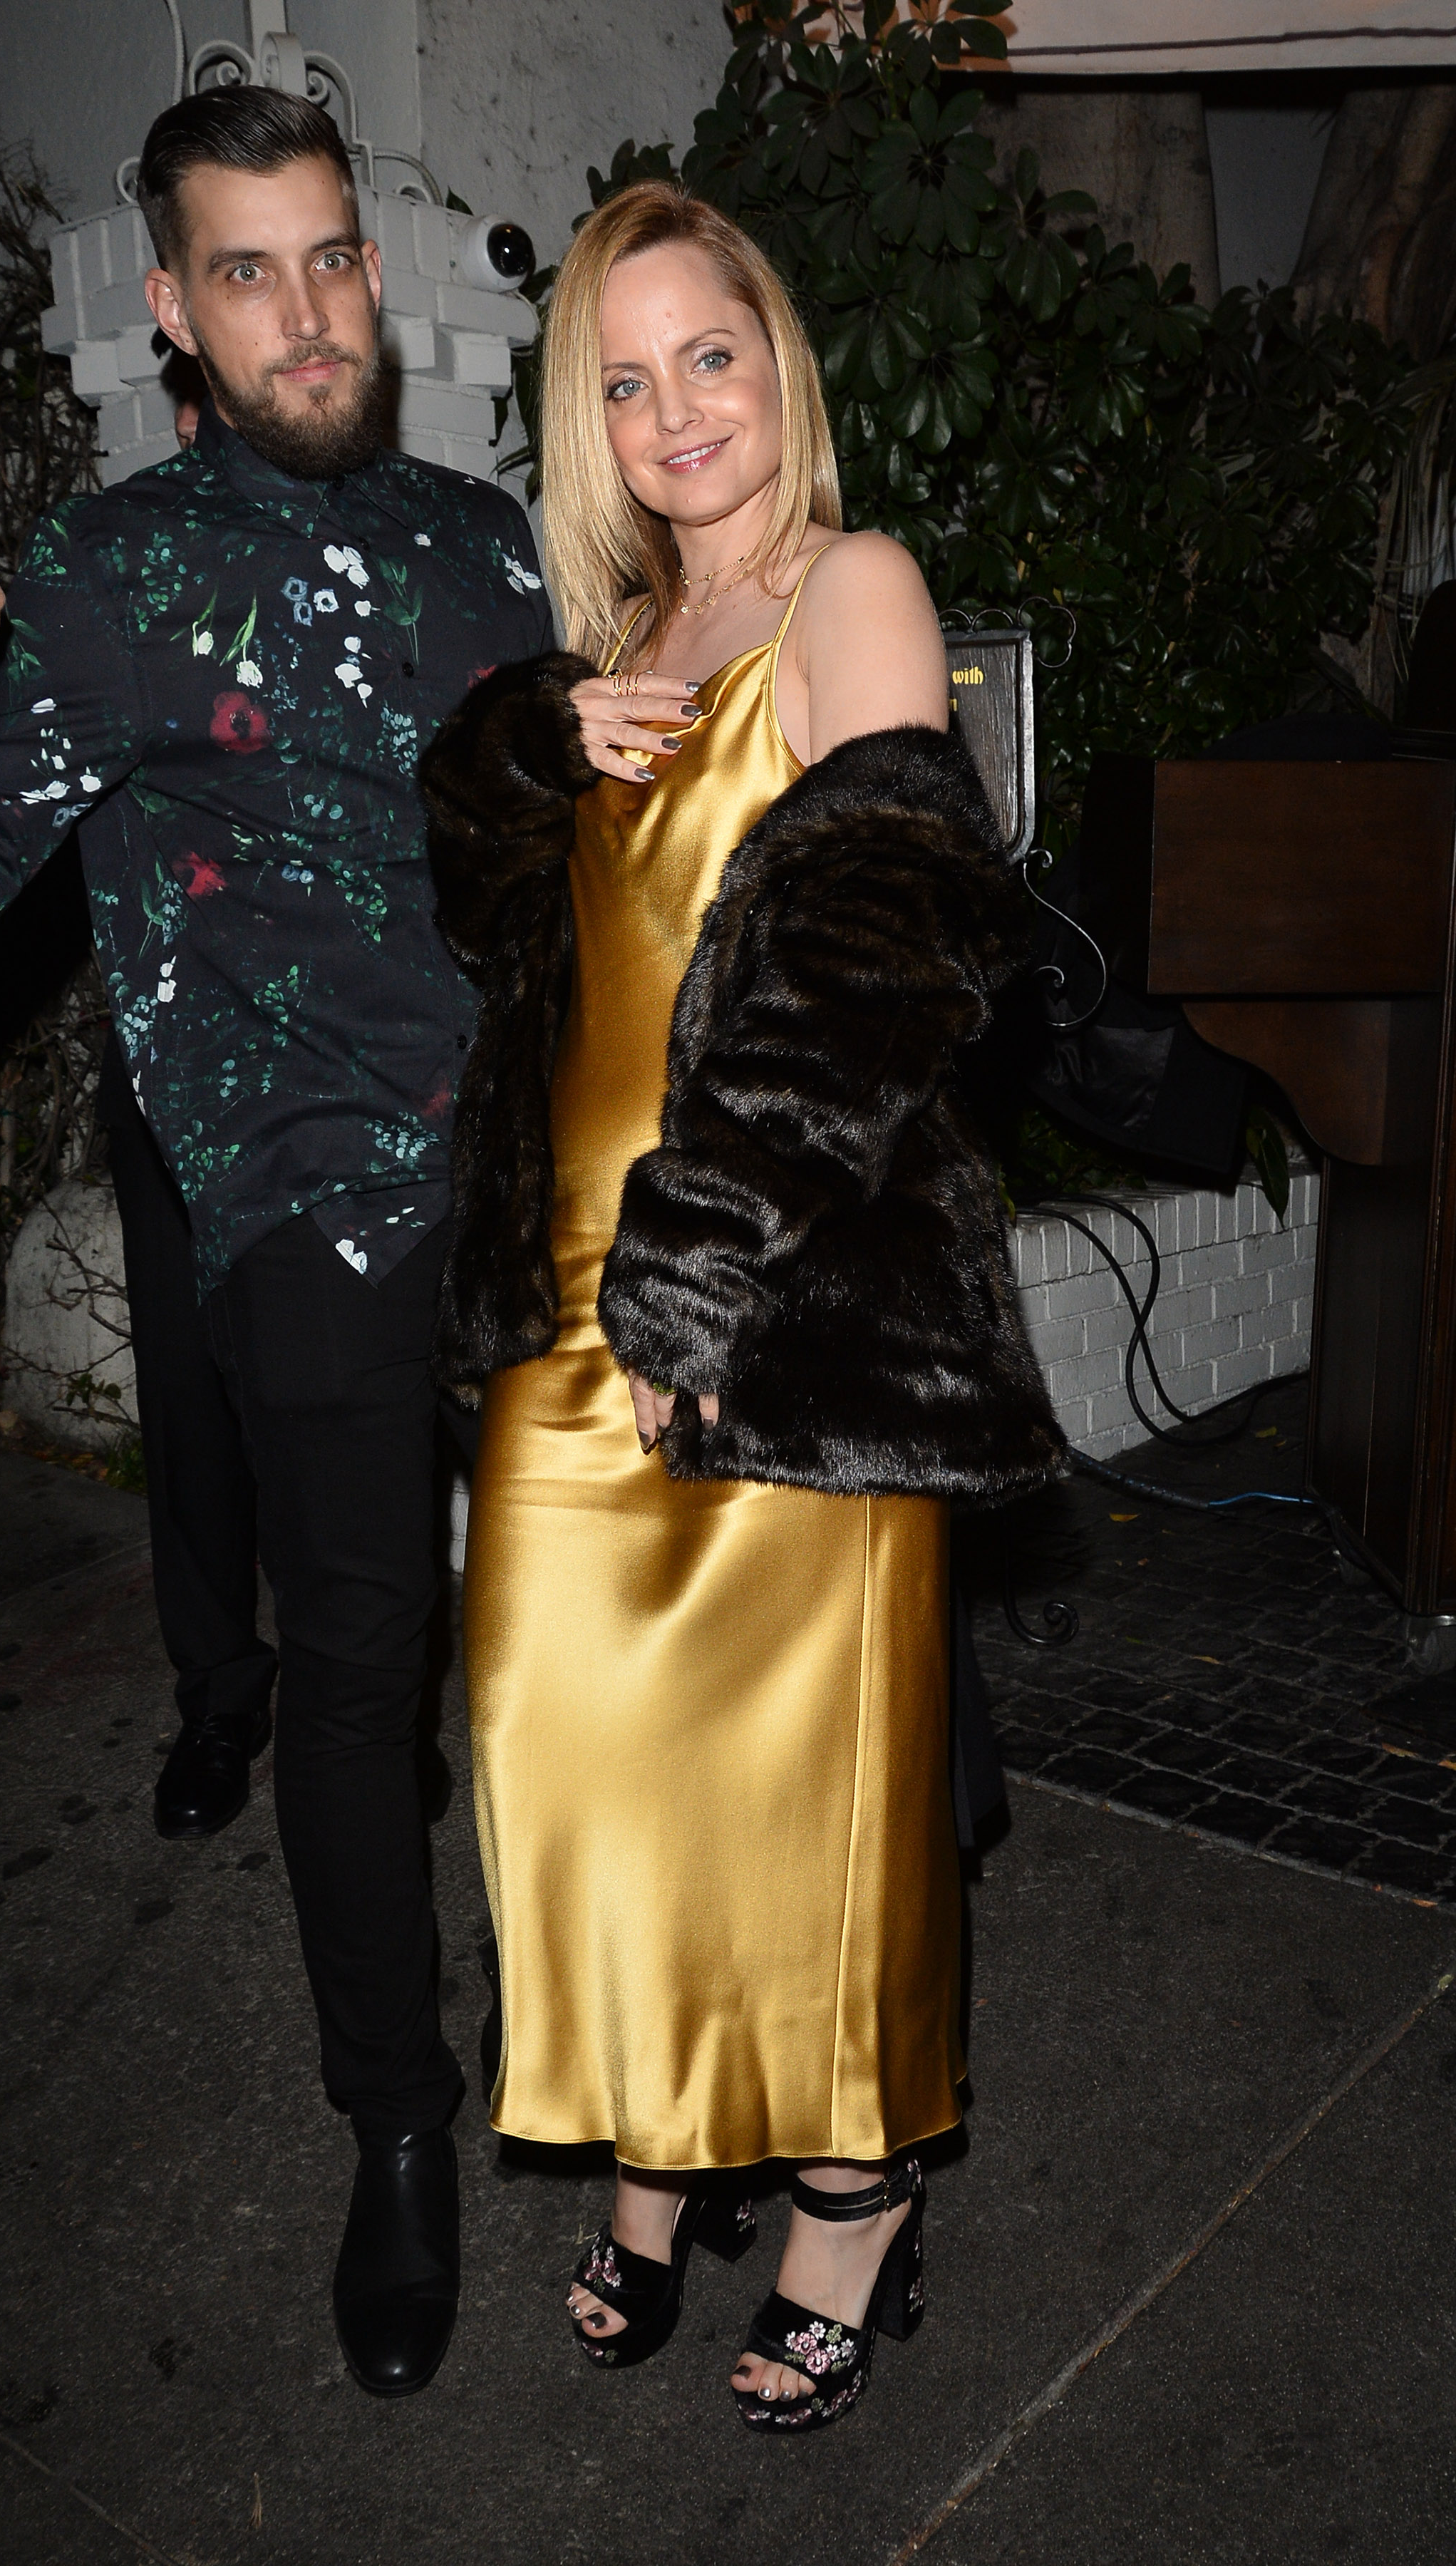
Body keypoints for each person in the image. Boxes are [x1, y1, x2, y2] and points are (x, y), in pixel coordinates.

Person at [0, 84, 553, 2398]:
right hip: (307, 1203)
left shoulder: (489, 545)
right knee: (361, 1671)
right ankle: (398, 2125)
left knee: (605, 1650)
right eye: (250, 272)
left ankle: (668, 2052)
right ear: (171, 309)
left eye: (331, 259)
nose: (307, 314)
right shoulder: (104, 580)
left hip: (539, 1184)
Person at [420, 182, 1063, 2432]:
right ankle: (664, 2126)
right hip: (566, 1307)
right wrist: (524, 748)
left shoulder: (847, 587)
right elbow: (503, 930)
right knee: (564, 1747)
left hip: (777, 1304)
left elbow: (884, 952)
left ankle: (851, 2195)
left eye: (710, 352)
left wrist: (701, 1278)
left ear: (780, 357)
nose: (675, 407)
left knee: (806, 1799)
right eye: (625, 376)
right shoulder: (623, 630)